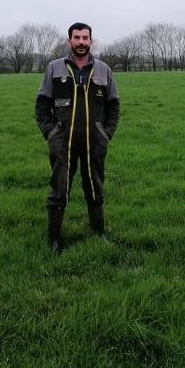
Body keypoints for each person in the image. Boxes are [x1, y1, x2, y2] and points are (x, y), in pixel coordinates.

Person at [35, 22, 120, 254]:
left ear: (91, 41)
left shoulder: (103, 70)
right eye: (77, 38)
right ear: (69, 41)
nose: (81, 42)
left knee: (95, 187)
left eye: (85, 38)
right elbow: (42, 104)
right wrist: (50, 132)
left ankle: (98, 233)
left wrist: (106, 133)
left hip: (95, 142)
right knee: (59, 189)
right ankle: (54, 239)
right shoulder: (54, 68)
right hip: (63, 142)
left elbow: (114, 106)